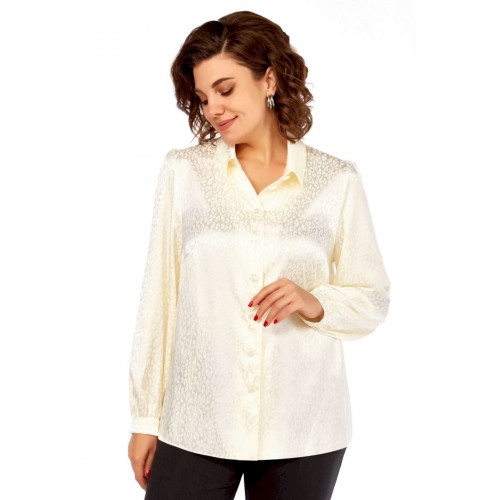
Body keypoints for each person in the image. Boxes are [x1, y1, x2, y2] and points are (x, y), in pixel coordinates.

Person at [127, 10, 391, 500]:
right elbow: (159, 299)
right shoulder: (184, 173)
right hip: (198, 421)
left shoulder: (336, 180)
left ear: (268, 79)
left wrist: (314, 301)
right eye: (203, 97)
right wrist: (145, 418)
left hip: (305, 429)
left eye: (225, 90)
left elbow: (373, 298)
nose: (213, 108)